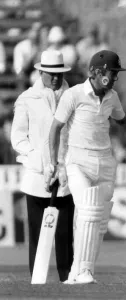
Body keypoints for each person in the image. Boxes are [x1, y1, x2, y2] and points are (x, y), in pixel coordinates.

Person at [46, 50, 126, 284]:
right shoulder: (74, 95)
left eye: (116, 74)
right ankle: (83, 272)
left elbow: (123, 121)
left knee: (98, 220)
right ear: (97, 72)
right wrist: (54, 162)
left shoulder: (112, 97)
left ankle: (75, 273)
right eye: (111, 73)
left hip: (105, 161)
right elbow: (55, 129)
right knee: (88, 211)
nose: (114, 78)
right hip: (78, 161)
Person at [11, 50, 75, 282]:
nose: (55, 78)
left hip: (66, 175)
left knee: (65, 235)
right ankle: (37, 280)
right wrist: (38, 160)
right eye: (50, 73)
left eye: (59, 73)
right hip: (37, 176)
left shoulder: (74, 96)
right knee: (37, 235)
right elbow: (18, 138)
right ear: (40, 72)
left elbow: (76, 135)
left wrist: (65, 164)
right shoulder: (27, 99)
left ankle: (67, 278)